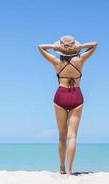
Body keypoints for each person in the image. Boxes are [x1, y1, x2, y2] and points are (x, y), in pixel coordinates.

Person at [37, 35, 98, 175]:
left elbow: (40, 47)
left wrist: (54, 47)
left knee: (62, 136)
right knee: (72, 136)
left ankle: (62, 168)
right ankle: (70, 170)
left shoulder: (55, 61)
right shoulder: (80, 59)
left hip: (60, 96)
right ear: (74, 47)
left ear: (61, 48)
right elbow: (95, 44)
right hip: (77, 96)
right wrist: (80, 47)